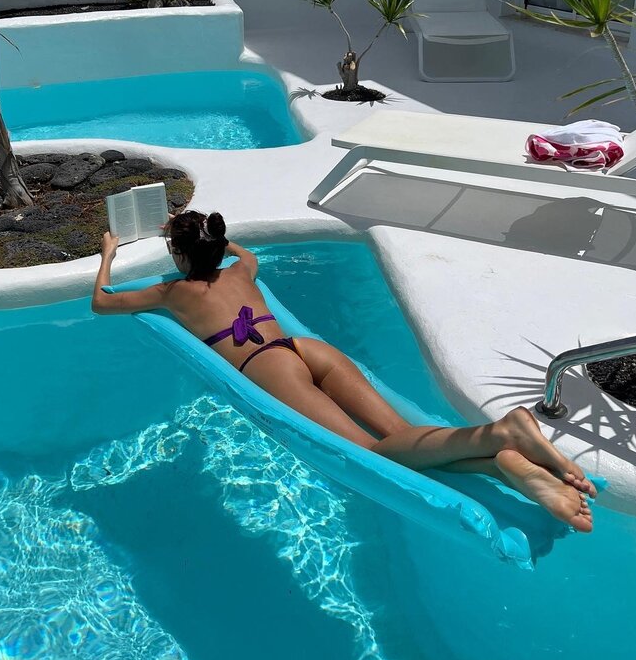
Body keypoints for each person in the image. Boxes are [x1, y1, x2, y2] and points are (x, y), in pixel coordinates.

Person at [92, 210, 594, 532]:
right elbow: (244, 252)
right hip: (306, 349)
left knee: (374, 453)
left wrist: (109, 256)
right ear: (217, 246)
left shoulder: (171, 293)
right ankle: (498, 463)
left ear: (179, 255)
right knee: (400, 434)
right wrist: (208, 239)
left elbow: (102, 302)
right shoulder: (241, 270)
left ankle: (497, 433)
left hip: (268, 366)